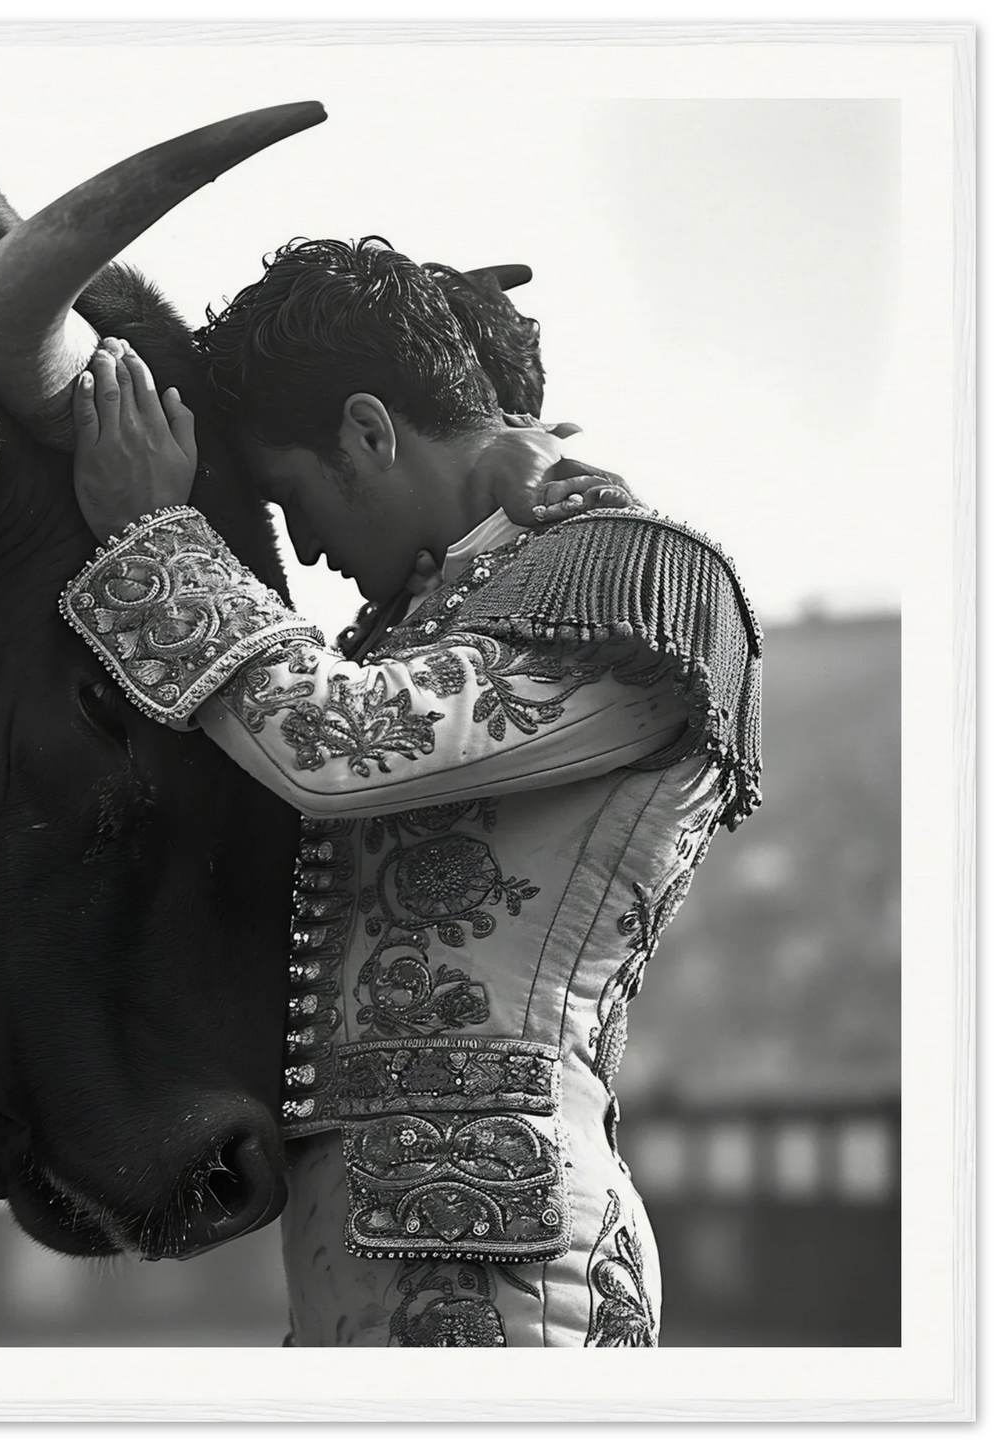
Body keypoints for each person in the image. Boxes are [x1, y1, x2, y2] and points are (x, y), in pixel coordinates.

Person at [59, 238, 762, 1348]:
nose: (307, 552)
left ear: (369, 430)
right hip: (371, 1255)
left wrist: (155, 539)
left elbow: (335, 744)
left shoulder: (638, 580)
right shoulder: (434, 611)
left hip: (513, 1265)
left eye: (289, 496)